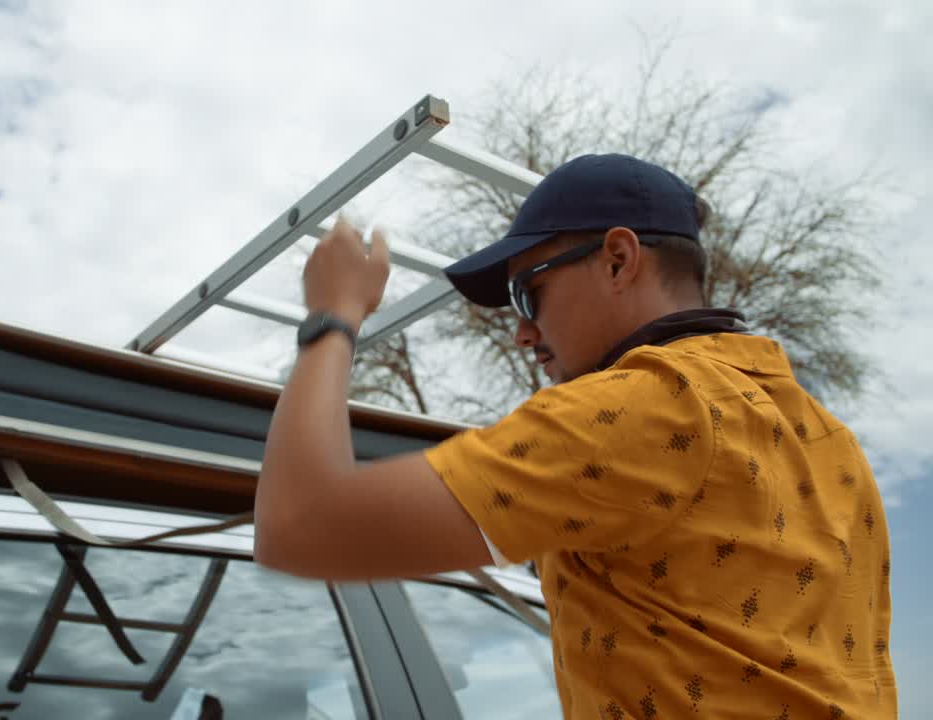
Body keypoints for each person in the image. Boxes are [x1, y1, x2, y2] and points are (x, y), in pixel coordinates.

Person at [254, 154, 897, 718]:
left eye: (528, 295)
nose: (522, 333)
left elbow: (300, 526)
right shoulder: (824, 434)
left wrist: (332, 317)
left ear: (619, 260)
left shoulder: (640, 408)